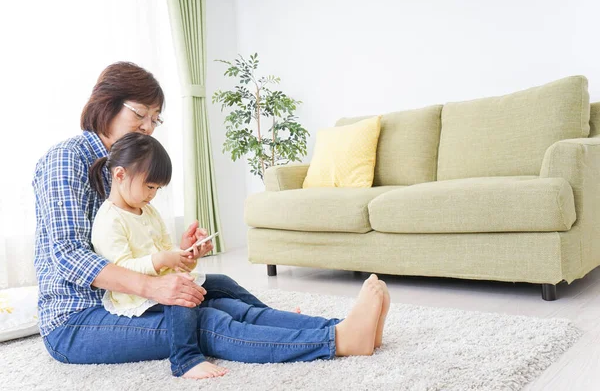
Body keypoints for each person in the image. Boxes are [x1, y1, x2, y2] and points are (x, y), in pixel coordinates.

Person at [33, 61, 391, 380]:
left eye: (155, 119)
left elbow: (144, 248)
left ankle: (342, 327)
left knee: (226, 302)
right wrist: (154, 287)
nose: (148, 127)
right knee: (207, 320)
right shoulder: (66, 159)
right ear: (106, 105)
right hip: (78, 320)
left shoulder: (131, 166)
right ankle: (339, 340)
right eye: (140, 114)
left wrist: (182, 255)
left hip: (132, 301)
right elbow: (67, 255)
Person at [89, 132, 226, 378]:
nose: (152, 194)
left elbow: (166, 249)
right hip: (135, 295)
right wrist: (161, 260)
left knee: (223, 283)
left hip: (165, 281)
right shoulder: (109, 219)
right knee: (178, 300)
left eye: (157, 188)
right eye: (149, 186)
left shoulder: (148, 211)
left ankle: (265, 310)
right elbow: (121, 268)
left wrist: (185, 252)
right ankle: (186, 360)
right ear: (120, 175)